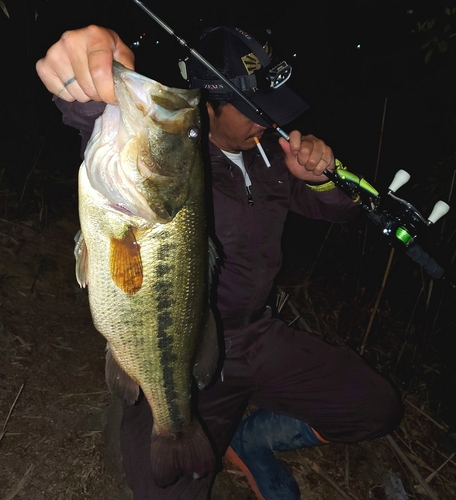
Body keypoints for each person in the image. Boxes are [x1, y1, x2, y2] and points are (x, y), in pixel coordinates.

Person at [36, 24, 403, 500]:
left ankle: (251, 440)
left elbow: (345, 209)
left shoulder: (273, 157)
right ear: (208, 108)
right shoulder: (178, 155)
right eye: (252, 112)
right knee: (166, 486)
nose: (265, 122)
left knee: (377, 409)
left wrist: (323, 178)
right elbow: (104, 124)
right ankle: (191, 416)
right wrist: (83, 82)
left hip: (260, 336)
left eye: (270, 109)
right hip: (189, 347)